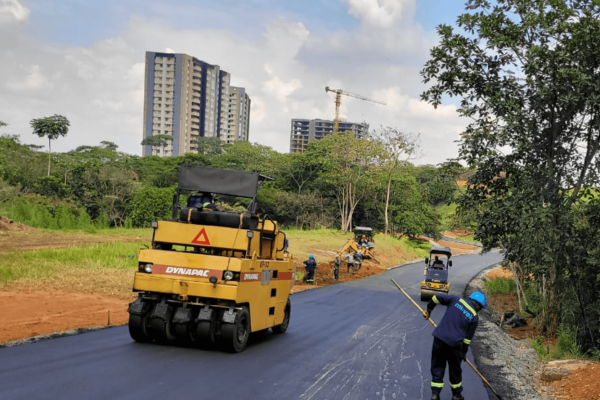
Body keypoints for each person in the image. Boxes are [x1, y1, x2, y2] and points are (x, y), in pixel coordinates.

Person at [423, 291, 486, 400]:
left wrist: (429, 310)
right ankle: (456, 395)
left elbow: (436, 297)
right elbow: (467, 340)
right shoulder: (474, 318)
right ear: (478, 305)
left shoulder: (456, 300)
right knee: (455, 369)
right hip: (455, 344)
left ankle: (435, 395)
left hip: (440, 338)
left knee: (437, 366)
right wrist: (463, 353)